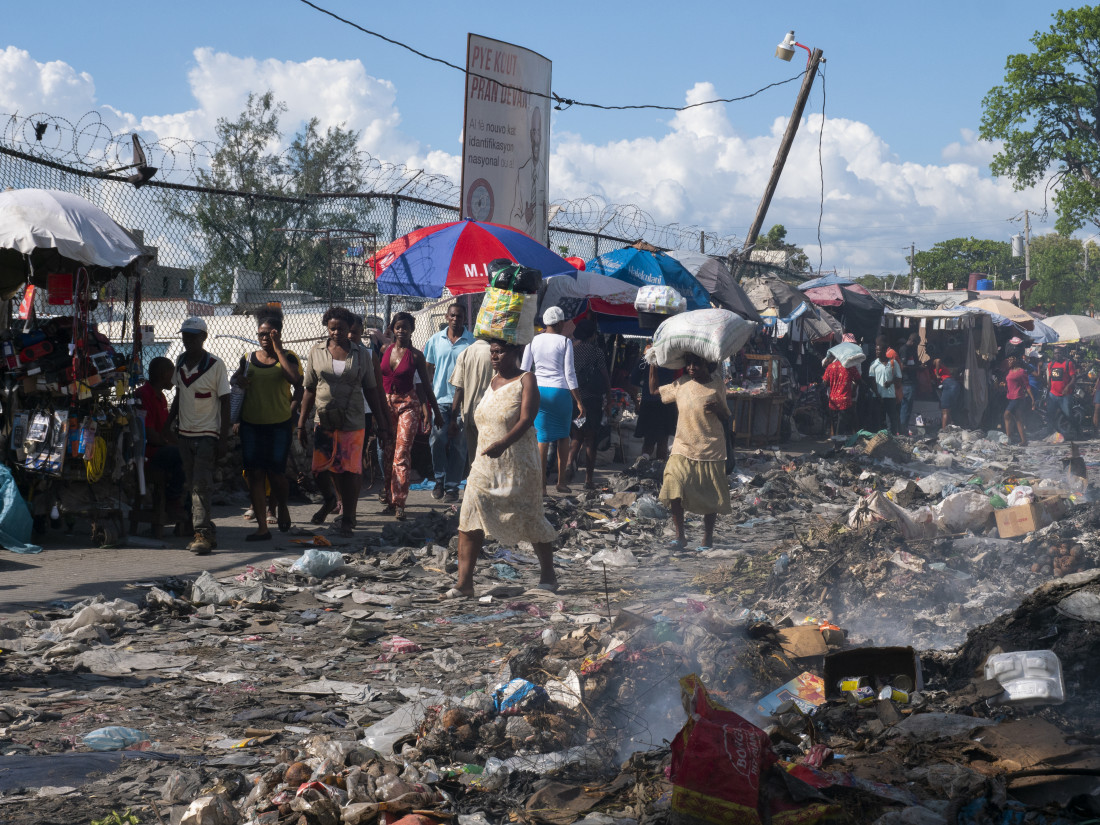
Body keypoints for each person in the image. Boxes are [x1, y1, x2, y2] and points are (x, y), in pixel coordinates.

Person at [447, 340, 559, 598]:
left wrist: (504, 443)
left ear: (515, 352)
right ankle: (464, 584)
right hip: (485, 464)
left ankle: (549, 576)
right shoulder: (492, 381)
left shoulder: (526, 379)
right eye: (492, 352)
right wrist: (493, 447)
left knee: (530, 516)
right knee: (470, 513)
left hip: (518, 464)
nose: (494, 357)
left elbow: (527, 418)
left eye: (500, 352)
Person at [298, 306, 388, 538]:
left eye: (341, 328)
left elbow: (371, 389)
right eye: (332, 328)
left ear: (350, 328)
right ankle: (331, 500)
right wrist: (300, 422)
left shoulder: (361, 355)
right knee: (321, 469)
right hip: (325, 419)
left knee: (350, 469)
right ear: (327, 328)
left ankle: (349, 516)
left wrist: (380, 421)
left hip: (353, 419)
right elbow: (308, 389)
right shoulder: (316, 352)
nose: (337, 332)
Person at [650, 354, 731, 551]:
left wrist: (718, 409)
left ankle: (707, 538)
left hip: (710, 447)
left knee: (710, 494)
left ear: (707, 365)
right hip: (682, 446)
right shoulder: (681, 384)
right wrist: (652, 363)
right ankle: (680, 537)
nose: (692, 368)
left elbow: (726, 416)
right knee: (673, 482)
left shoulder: (717, 384)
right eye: (689, 364)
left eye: (697, 364)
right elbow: (653, 391)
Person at [233, 309, 302, 541]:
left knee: (277, 474)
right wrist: (238, 380)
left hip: (279, 424)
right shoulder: (248, 357)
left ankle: (282, 505)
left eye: (269, 334)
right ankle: (262, 527)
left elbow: (295, 380)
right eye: (261, 334)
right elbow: (235, 379)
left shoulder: (289, 357)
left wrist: (278, 348)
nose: (264, 338)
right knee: (254, 474)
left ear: (278, 333)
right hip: (251, 424)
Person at [166, 317, 231, 555]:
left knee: (201, 484)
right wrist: (169, 423)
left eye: (193, 336)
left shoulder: (216, 365)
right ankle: (204, 531)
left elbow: (225, 401)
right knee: (192, 483)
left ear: (203, 337)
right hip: (184, 433)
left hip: (206, 434)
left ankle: (202, 532)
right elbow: (178, 396)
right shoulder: (181, 361)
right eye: (185, 336)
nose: (188, 341)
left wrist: (223, 437)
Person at [380, 312, 442, 521]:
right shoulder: (383, 350)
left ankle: (399, 502)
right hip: (387, 405)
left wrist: (435, 412)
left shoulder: (415, 355)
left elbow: (425, 386)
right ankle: (388, 498)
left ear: (411, 330)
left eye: (405, 327)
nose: (401, 331)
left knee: (402, 453)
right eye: (398, 327)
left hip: (408, 404)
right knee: (388, 452)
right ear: (392, 329)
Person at [522, 307, 585, 495]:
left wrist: (524, 394)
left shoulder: (532, 340)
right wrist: (579, 401)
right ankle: (561, 482)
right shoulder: (565, 342)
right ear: (559, 323)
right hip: (561, 392)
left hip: (539, 391)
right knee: (563, 436)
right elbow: (570, 374)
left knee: (542, 438)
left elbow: (525, 369)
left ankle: (541, 486)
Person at [424, 303, 475, 502]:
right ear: (447, 317)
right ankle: (439, 479)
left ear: (464, 318)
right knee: (437, 440)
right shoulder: (435, 340)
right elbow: (428, 367)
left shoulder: (471, 341)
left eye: (460, 316)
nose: (456, 319)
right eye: (453, 315)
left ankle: (452, 487)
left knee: (459, 445)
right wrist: (427, 398)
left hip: (463, 401)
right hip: (440, 400)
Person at [135, 356, 185, 517]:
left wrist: (180, 443)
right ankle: (172, 499)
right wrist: (171, 444)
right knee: (181, 455)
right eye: (172, 373)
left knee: (190, 454)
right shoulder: (142, 395)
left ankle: (184, 509)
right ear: (163, 374)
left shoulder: (161, 397)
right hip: (149, 453)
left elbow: (165, 430)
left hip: (161, 449)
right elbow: (149, 433)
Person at [567, 318, 610, 490]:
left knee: (576, 435)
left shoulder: (571, 351)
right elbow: (605, 376)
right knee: (591, 439)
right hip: (592, 400)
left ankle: (569, 463)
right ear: (592, 334)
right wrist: (609, 397)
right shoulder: (596, 352)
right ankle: (588, 480)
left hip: (575, 399)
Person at [449, 338, 494, 465]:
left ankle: (475, 483)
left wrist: (453, 418)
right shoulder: (495, 353)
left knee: (474, 457)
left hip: (470, 414)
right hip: (490, 413)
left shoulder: (465, 353)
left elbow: (459, 388)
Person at [629, 345, 678, 460]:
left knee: (649, 440)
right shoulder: (673, 357)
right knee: (663, 440)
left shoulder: (646, 358)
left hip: (649, 402)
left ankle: (644, 464)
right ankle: (659, 469)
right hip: (667, 402)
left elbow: (633, 382)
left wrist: (636, 402)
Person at [869, 340, 902, 435]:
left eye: (879, 350)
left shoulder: (893, 363)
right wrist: (877, 393)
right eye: (876, 350)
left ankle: (892, 439)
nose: (877, 352)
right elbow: (872, 380)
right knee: (878, 419)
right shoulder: (873, 364)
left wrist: (891, 382)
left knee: (891, 420)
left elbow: (899, 378)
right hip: (877, 397)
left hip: (890, 396)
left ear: (884, 351)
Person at [822, 354, 859, 436]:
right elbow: (858, 379)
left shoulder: (830, 367)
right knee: (842, 424)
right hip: (845, 399)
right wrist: (854, 390)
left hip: (833, 400)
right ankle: (839, 442)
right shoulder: (850, 367)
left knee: (835, 422)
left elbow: (824, 382)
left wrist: (832, 382)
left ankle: (836, 442)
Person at [1004, 355, 1035, 446]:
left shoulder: (1022, 372)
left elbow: (1027, 386)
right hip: (1010, 397)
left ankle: (1008, 439)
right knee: (1018, 419)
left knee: (1006, 414)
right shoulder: (1009, 371)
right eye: (1008, 359)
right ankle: (1023, 440)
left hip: (1018, 397)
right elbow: (1009, 384)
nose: (1009, 361)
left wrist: (1033, 399)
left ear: (1016, 360)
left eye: (1011, 359)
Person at [1047, 346, 1077, 434]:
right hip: (1053, 394)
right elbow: (1050, 379)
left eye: (1059, 353)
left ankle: (1078, 431)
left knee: (1068, 414)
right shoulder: (1050, 364)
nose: (1057, 355)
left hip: (1065, 395)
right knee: (1050, 414)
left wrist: (1067, 387)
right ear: (1053, 354)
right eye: (1055, 353)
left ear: (1062, 353)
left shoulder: (1068, 363)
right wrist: (1048, 389)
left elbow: (1073, 378)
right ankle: (1050, 433)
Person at [897, 333, 921, 433]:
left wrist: (919, 365)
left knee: (908, 407)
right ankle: (902, 429)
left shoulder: (912, 349)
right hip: (906, 382)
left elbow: (915, 362)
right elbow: (902, 367)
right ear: (912, 341)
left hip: (912, 382)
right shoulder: (904, 349)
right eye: (916, 344)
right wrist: (917, 368)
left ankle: (904, 427)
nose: (917, 346)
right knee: (905, 407)